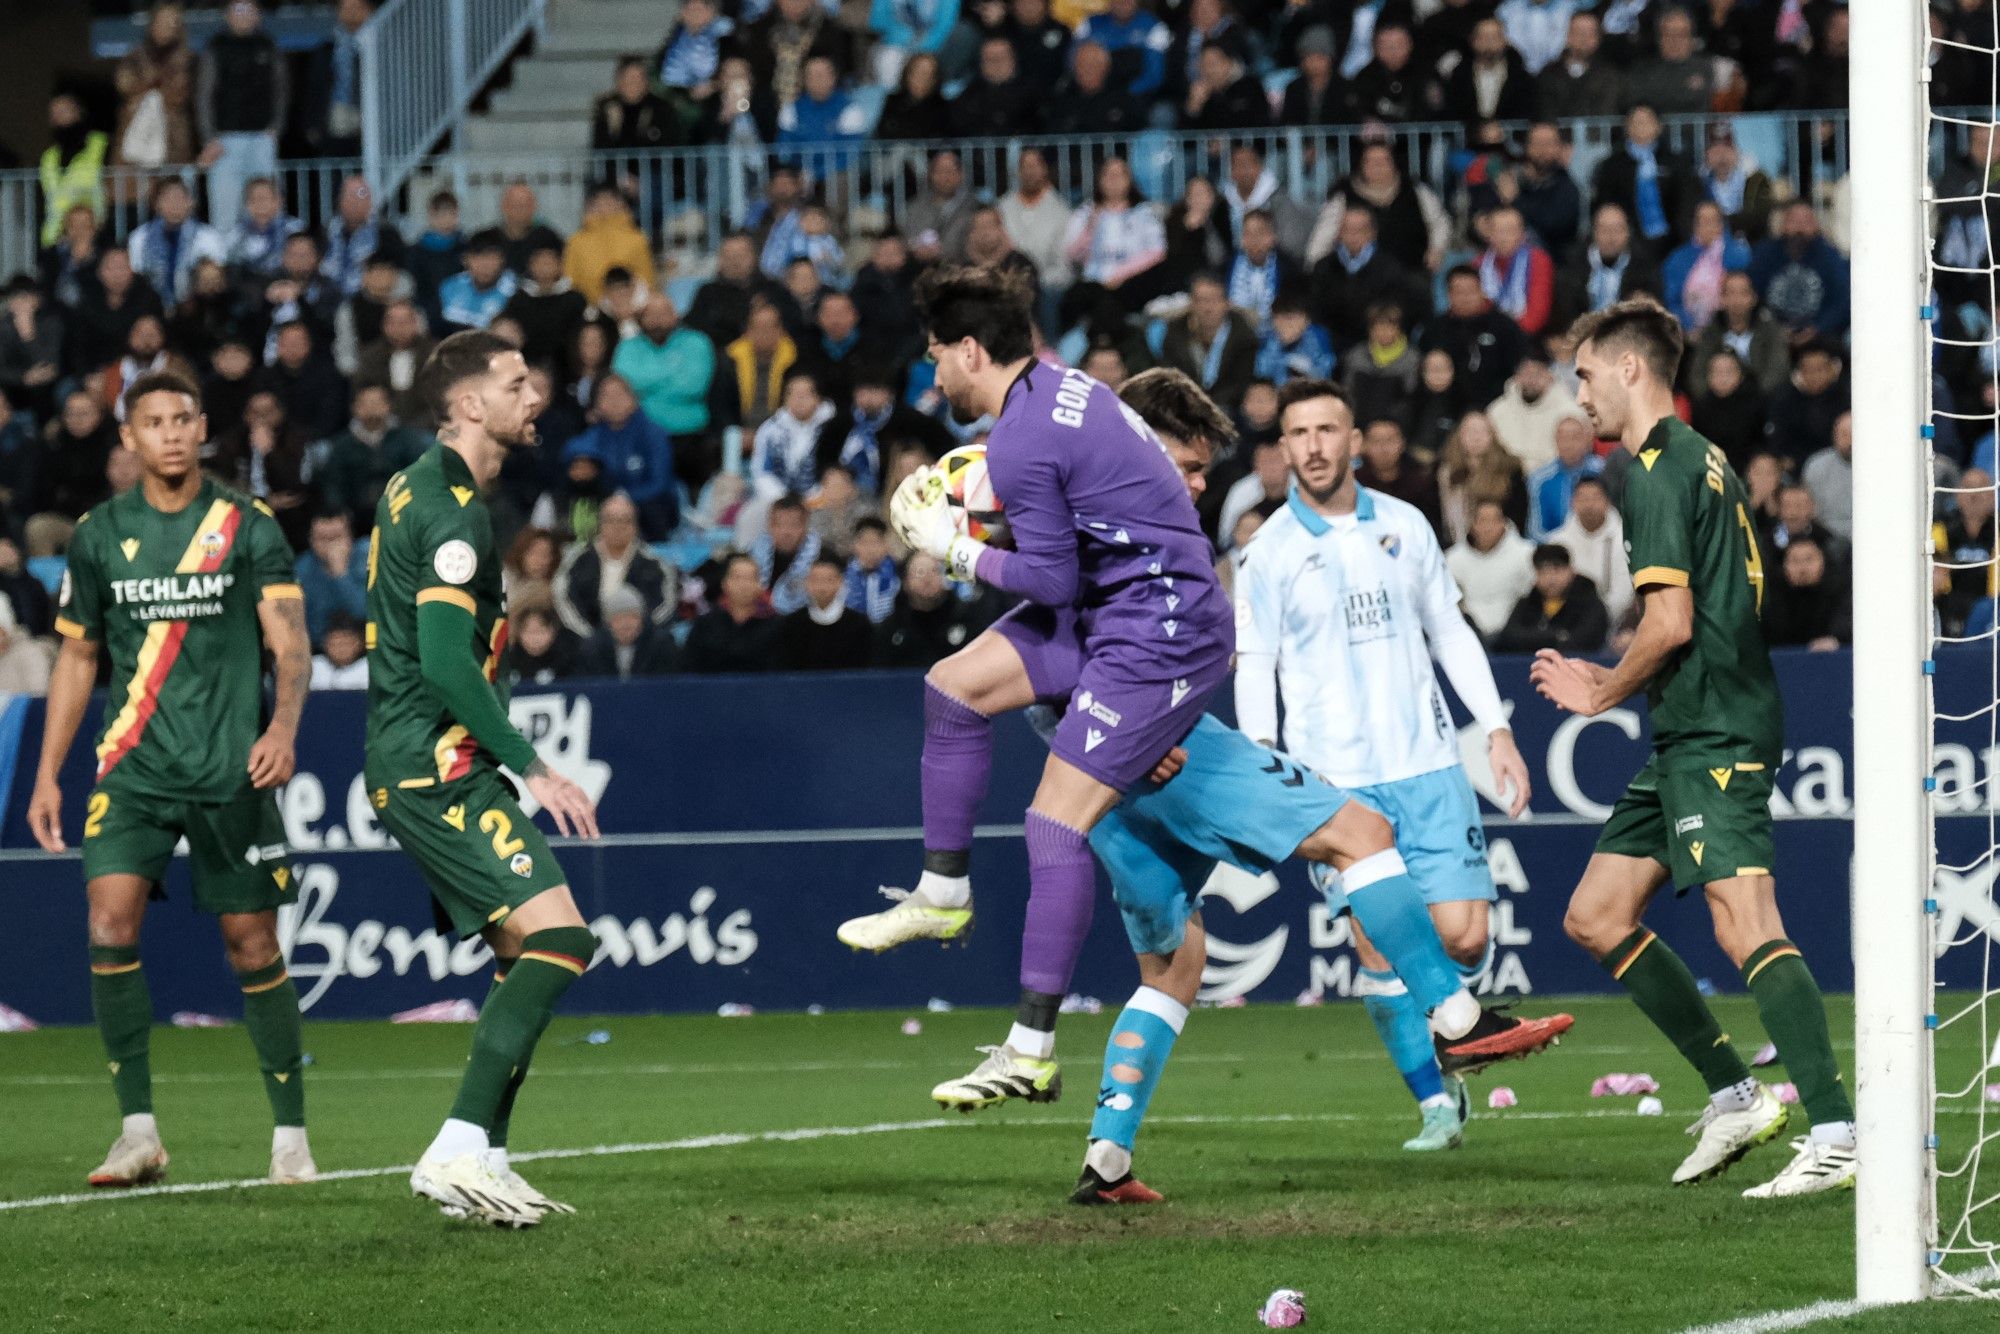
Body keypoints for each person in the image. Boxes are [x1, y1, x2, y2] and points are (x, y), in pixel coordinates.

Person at [1533, 296, 1856, 1197]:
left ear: (1630, 368)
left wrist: (1600, 689)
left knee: (1744, 919)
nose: (1580, 394)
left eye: (1587, 375)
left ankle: (1837, 1125)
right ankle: (1737, 1094)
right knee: (1596, 914)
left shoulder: (1656, 471)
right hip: (1690, 724)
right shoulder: (1701, 454)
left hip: (1716, 721)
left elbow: (1669, 622)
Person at [29, 370, 314, 1189]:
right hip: (132, 768)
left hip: (230, 767)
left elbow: (289, 643)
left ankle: (290, 1138)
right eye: (153, 421)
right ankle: (138, 1132)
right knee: (109, 924)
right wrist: (47, 775)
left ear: (202, 426)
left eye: (183, 418)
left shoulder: (244, 524)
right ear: (129, 437)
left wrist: (284, 728)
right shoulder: (96, 535)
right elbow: (79, 655)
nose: (171, 433)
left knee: (252, 944)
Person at [366, 331, 602, 1225]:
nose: (533, 392)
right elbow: (445, 666)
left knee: (519, 954)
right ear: (469, 406)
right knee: (561, 941)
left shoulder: (419, 486)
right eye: (514, 382)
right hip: (434, 768)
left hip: (428, 761)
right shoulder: (453, 510)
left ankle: (489, 1162)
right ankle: (457, 1145)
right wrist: (535, 768)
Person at [197, 1, 286, 236]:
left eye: (249, 10)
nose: (243, 16)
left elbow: (281, 90)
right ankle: (227, 264)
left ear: (258, 15)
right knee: (225, 210)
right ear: (227, 15)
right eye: (238, 10)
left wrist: (275, 129)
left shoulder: (268, 44)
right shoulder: (216, 46)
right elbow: (204, 95)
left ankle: (267, 258)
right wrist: (209, 138)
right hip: (225, 140)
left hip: (261, 137)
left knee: (265, 206)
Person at [552, 488, 678, 636]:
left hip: (641, 641)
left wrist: (634, 635)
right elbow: (564, 599)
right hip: (586, 639)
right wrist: (592, 637)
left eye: (625, 521)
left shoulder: (654, 562)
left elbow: (665, 606)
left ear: (635, 526)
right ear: (600, 524)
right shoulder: (578, 559)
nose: (618, 527)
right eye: (611, 520)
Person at [1447, 498, 1536, 641]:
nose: (1488, 527)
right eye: (1482, 521)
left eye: (1494, 520)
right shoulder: (1453, 558)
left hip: (1513, 634)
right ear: (1472, 525)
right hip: (1470, 634)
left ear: (1504, 523)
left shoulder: (1526, 554)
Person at [1494, 542, 1609, 652]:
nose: (1550, 579)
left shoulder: (1591, 604)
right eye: (1543, 572)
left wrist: (1535, 639)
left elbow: (1584, 641)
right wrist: (1556, 636)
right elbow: (1508, 637)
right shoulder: (1527, 604)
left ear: (1571, 571)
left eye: (1557, 570)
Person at [1548, 474, 1630, 626]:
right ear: (1573, 503)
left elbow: (1623, 593)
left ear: (1607, 502)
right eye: (1583, 499)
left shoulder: (1625, 539)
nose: (1589, 505)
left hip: (1613, 623)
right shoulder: (1557, 541)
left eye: (1595, 498)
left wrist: (1596, 619)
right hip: (1566, 623)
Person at [683, 551, 779, 672]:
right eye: (737, 578)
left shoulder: (776, 626)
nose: (743, 585)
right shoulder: (705, 625)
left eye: (750, 578)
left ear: (760, 585)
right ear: (724, 583)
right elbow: (689, 668)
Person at [564, 185, 656, 306]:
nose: (604, 206)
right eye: (599, 201)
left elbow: (647, 279)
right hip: (589, 312)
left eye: (610, 200)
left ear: (621, 204)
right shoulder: (576, 241)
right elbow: (570, 281)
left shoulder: (638, 239)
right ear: (589, 205)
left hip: (632, 310)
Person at [778, 554, 873, 670]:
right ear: (806, 583)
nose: (821, 587)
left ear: (840, 583)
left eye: (829, 580)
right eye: (815, 580)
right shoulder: (792, 623)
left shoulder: (858, 624)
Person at [296, 510, 371, 647]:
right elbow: (305, 627)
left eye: (336, 537)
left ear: (351, 536)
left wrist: (341, 575)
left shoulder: (368, 556)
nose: (331, 546)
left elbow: (366, 613)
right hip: (320, 653)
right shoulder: (302, 569)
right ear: (311, 540)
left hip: (368, 648)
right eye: (323, 538)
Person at [574, 583, 678, 679]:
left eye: (633, 617)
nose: (626, 624)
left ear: (642, 619)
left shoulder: (661, 644)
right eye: (618, 619)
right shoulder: (592, 648)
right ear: (608, 623)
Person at [310, 610, 370, 689]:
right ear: (325, 644)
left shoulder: (369, 668)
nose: (340, 649)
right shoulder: (313, 666)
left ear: (359, 644)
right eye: (334, 644)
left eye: (346, 644)